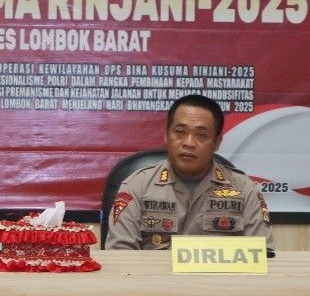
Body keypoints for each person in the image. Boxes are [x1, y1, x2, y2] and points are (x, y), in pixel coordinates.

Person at [106, 94, 272, 250]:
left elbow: (263, 254)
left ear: (217, 143)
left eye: (201, 135)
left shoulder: (244, 190)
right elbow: (120, 254)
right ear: (166, 135)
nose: (189, 143)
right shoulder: (137, 186)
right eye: (180, 132)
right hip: (153, 273)